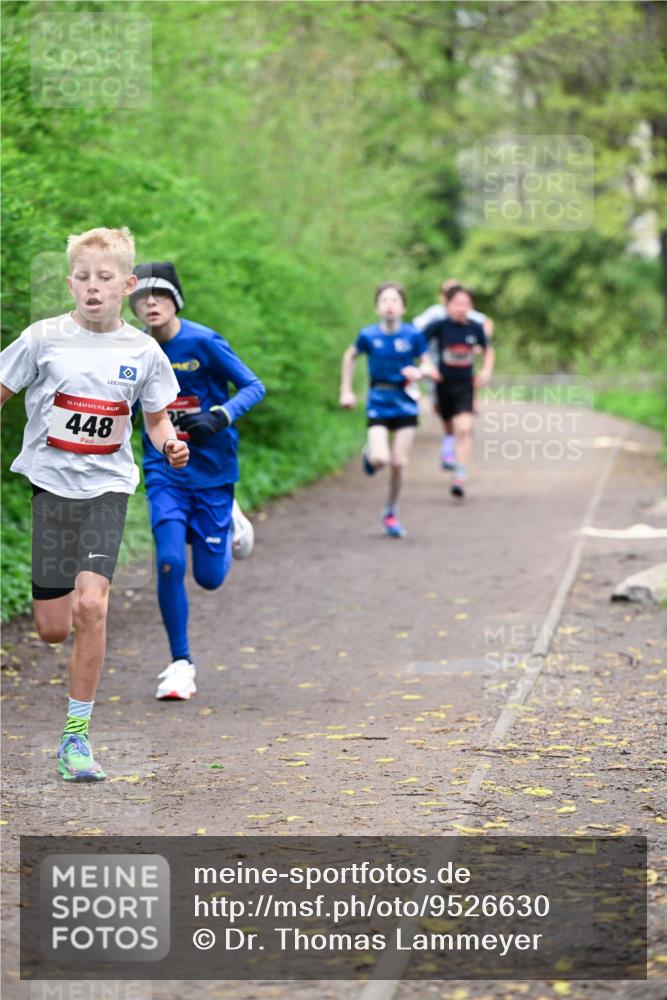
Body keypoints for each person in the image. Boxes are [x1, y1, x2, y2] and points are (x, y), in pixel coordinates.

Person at [0, 228, 187, 781]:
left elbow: (155, 420)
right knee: (54, 628)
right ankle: (70, 710)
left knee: (92, 606)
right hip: (51, 488)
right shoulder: (42, 339)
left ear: (126, 285)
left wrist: (169, 442)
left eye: (105, 279)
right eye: (83, 278)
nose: (93, 288)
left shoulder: (143, 350)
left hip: (107, 487)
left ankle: (75, 739)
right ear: (70, 283)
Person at [129, 262, 265, 700]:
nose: (151, 303)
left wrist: (219, 415)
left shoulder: (203, 342)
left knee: (209, 579)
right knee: (169, 561)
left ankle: (230, 521)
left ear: (175, 301)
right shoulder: (131, 349)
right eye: (142, 297)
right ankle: (180, 663)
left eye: (160, 295)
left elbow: (253, 386)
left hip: (212, 471)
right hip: (164, 470)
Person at [339, 282, 439, 538]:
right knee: (380, 459)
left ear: (403, 306)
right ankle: (369, 455)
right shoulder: (368, 335)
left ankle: (391, 511)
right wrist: (346, 390)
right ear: (377, 306)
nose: (390, 305)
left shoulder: (413, 335)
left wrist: (419, 372)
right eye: (384, 300)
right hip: (379, 402)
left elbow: (429, 367)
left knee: (399, 462)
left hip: (405, 402)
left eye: (395, 300)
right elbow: (350, 356)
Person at [413, 278, 494, 470]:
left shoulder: (475, 324)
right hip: (441, 380)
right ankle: (448, 444)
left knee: (465, 428)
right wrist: (426, 363)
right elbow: (418, 339)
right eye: (456, 303)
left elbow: (487, 341)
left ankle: (461, 473)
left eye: (465, 304)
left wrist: (486, 368)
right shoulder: (438, 321)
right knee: (445, 417)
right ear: (446, 302)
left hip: (466, 383)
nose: (461, 307)